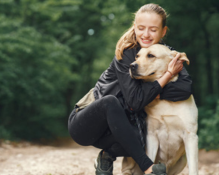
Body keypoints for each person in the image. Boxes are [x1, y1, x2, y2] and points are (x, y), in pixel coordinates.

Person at [68, 3, 192, 175]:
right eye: (141, 28)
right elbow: (135, 102)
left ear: (163, 32)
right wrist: (168, 75)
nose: (146, 35)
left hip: (118, 130)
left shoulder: (166, 54)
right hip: (87, 124)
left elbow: (185, 88)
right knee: (110, 102)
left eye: (153, 30)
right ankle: (149, 168)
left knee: (148, 134)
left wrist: (155, 91)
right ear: (134, 27)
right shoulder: (127, 53)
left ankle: (107, 154)